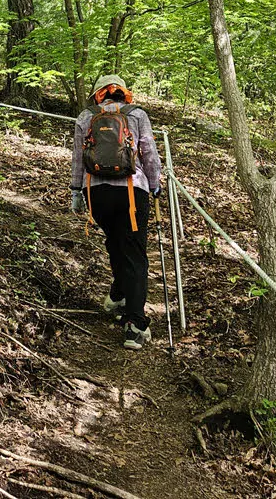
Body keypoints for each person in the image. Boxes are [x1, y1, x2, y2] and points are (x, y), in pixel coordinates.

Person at [70, 73, 163, 350]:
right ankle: (134, 326)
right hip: (132, 192)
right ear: (123, 92)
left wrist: (76, 191)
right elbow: (149, 153)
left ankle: (119, 294)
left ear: (98, 94)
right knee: (134, 253)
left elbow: (78, 157)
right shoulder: (137, 115)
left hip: (96, 193)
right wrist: (155, 185)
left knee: (115, 242)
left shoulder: (86, 117)